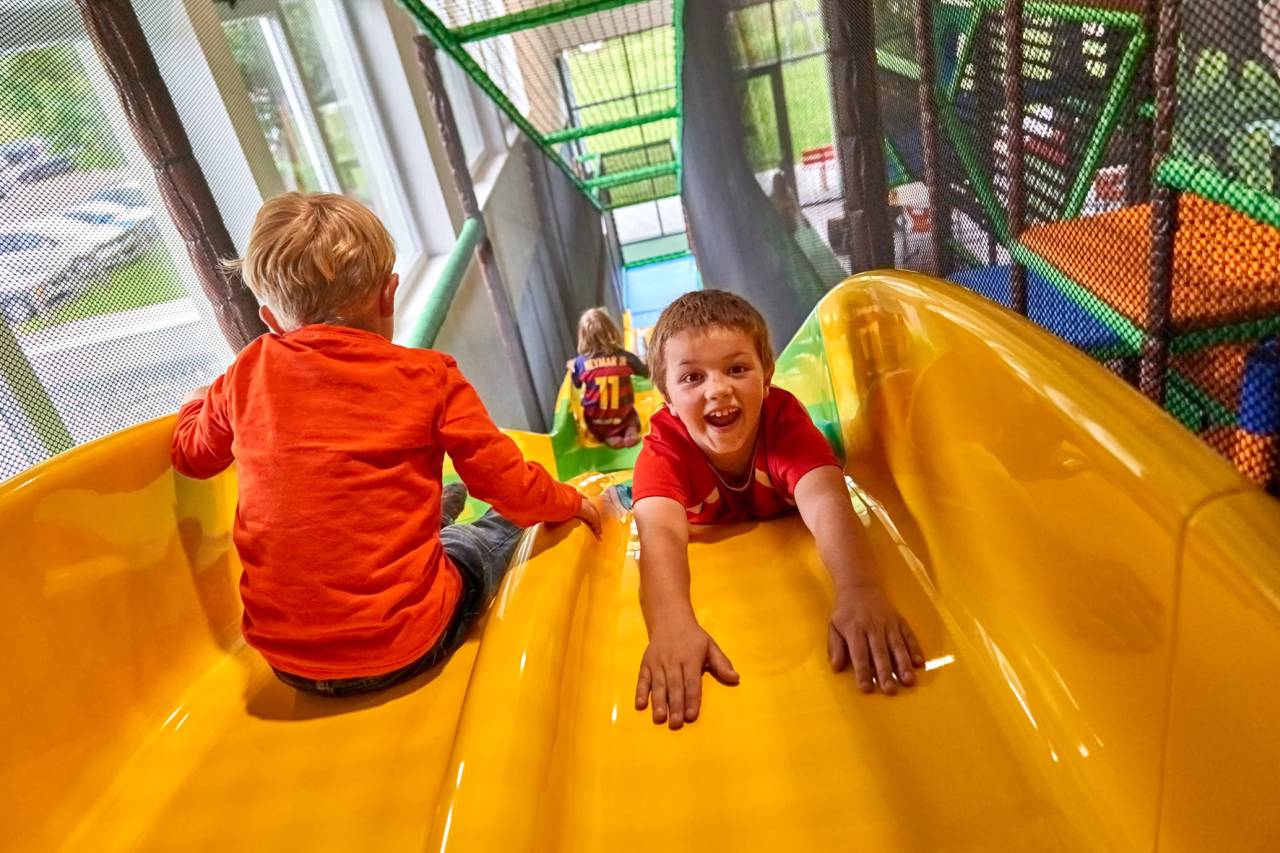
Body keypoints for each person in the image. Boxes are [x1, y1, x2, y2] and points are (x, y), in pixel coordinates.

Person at [171, 192, 600, 697]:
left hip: (289, 665)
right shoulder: (428, 377)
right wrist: (571, 501)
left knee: (421, 513)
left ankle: (438, 512)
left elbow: (192, 456)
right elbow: (510, 487)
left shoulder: (246, 372)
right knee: (490, 533)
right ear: (388, 295)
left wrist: (198, 402)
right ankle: (442, 521)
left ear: (268, 318)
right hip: (407, 644)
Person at [630, 290, 925, 730]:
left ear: (766, 376)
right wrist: (672, 623)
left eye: (737, 369)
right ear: (667, 398)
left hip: (789, 471)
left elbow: (826, 500)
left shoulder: (782, 422)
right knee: (629, 500)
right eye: (692, 378)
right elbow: (661, 534)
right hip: (702, 502)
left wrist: (858, 589)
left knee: (855, 435)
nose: (718, 388)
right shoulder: (663, 449)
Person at [568, 307, 649, 449]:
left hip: (597, 422)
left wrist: (572, 367)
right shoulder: (625, 357)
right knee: (631, 415)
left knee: (593, 417)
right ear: (611, 331)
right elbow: (645, 372)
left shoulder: (581, 363)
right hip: (624, 417)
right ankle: (630, 431)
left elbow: (577, 384)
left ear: (583, 337)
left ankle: (609, 437)